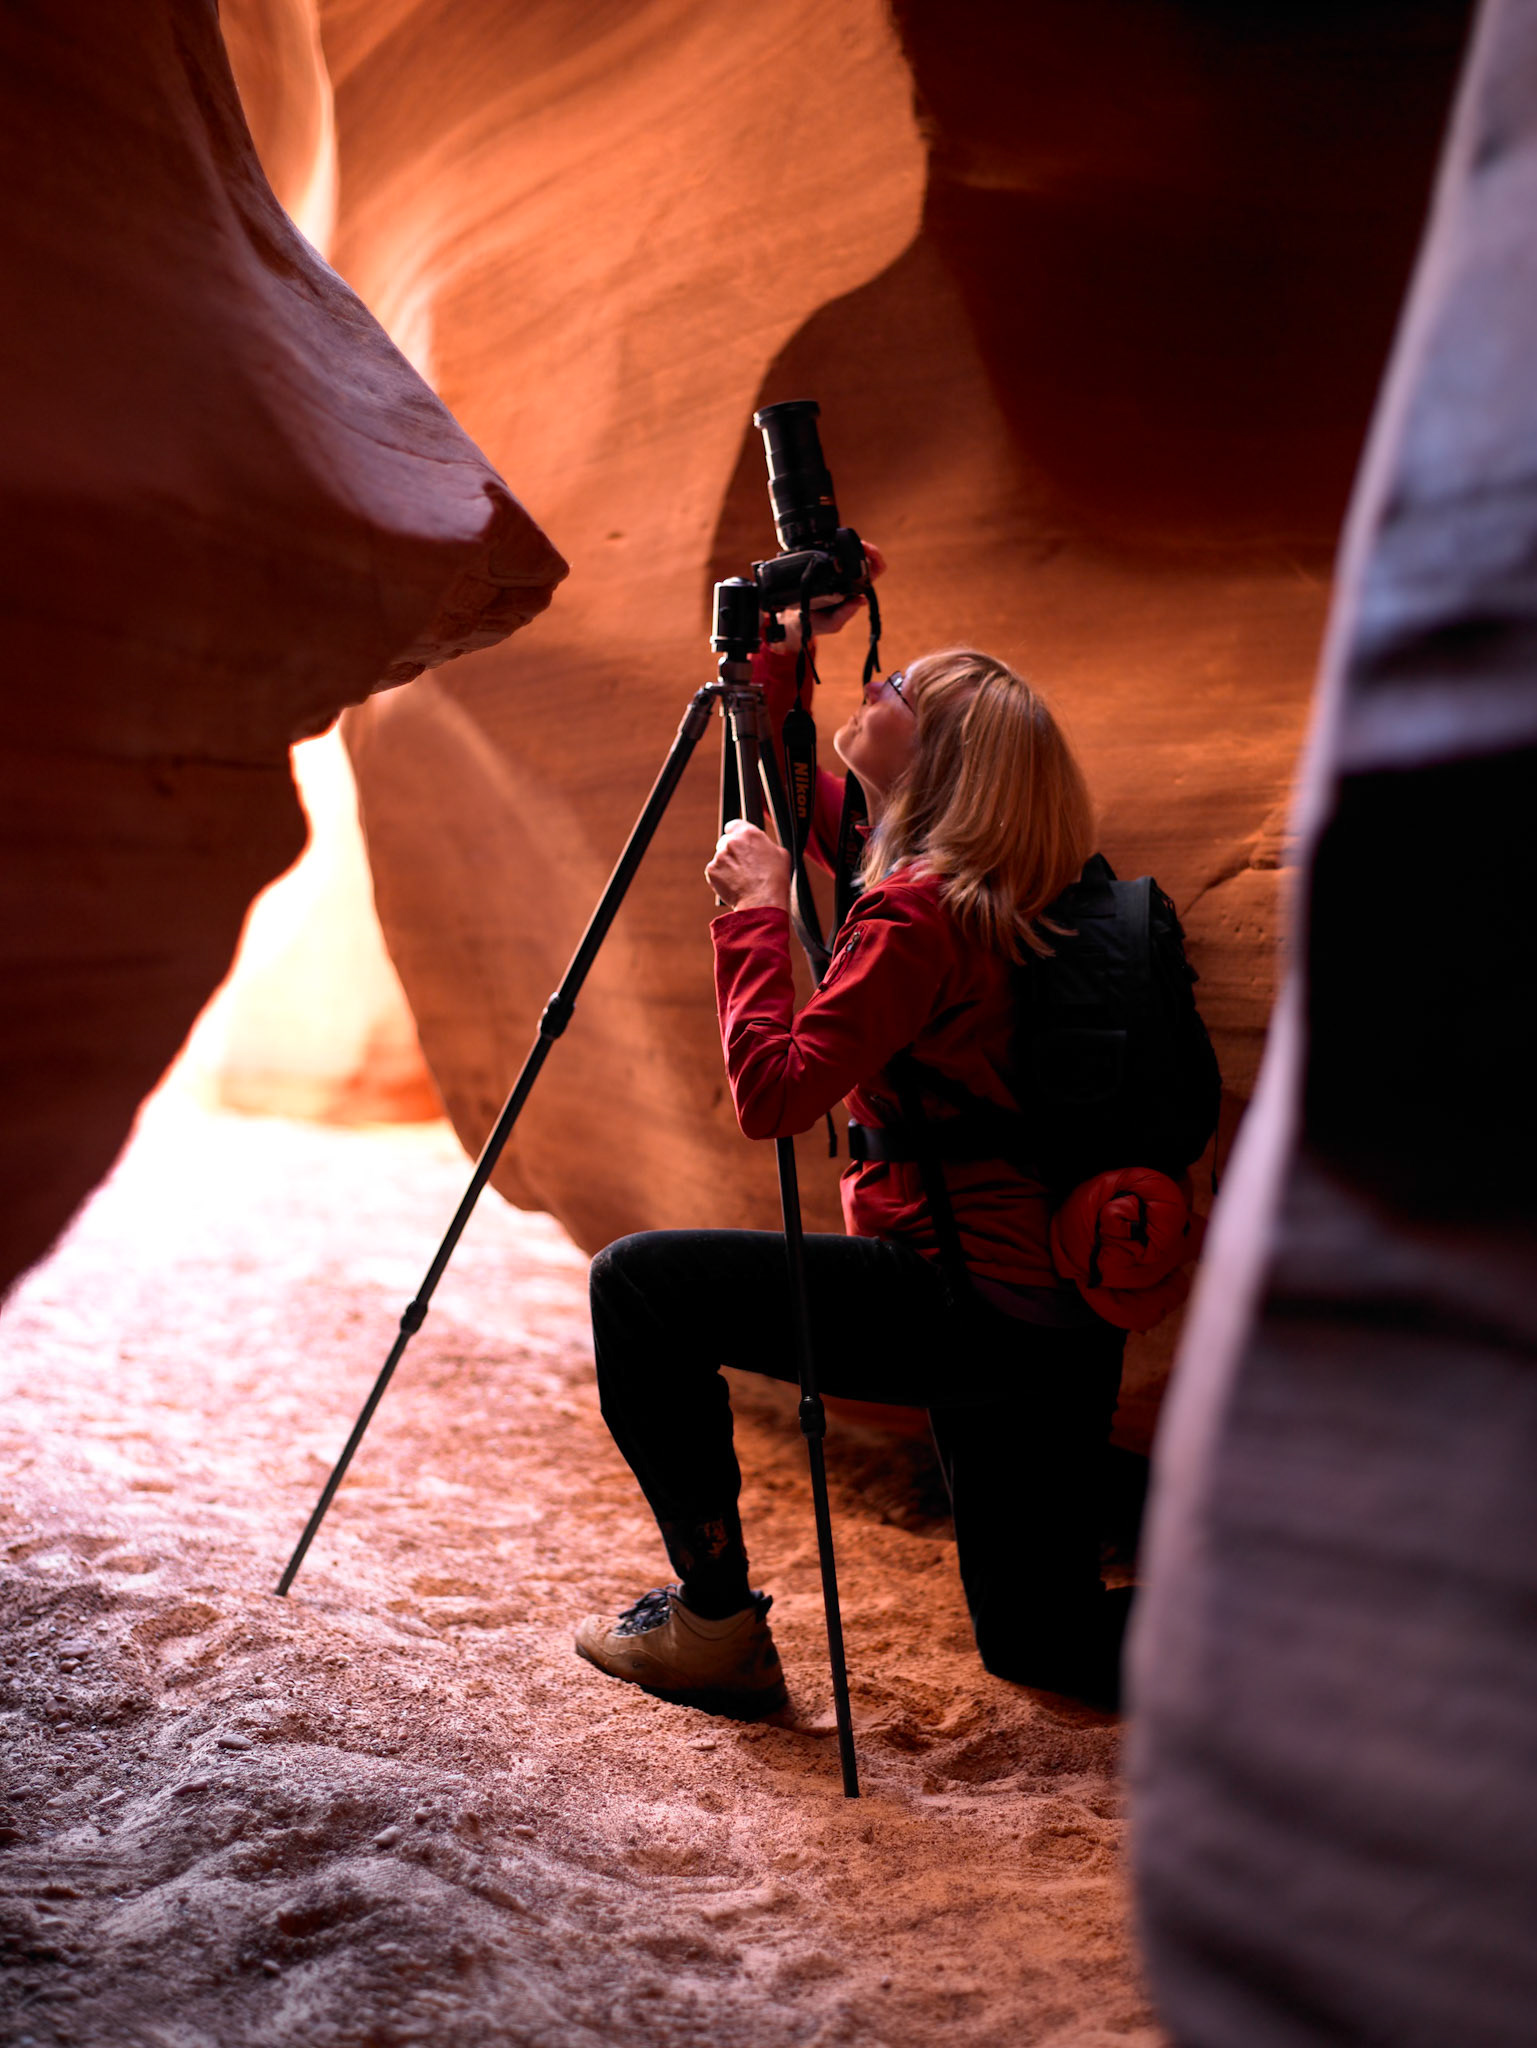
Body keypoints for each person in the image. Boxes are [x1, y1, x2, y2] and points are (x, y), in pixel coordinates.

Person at [575, 561, 1132, 1714]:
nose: (880, 681)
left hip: (959, 1302)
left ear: (936, 765)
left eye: (901, 690)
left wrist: (752, 921)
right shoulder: (1022, 882)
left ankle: (714, 1627)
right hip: (1062, 1318)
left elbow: (774, 1094)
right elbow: (794, 788)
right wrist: (785, 654)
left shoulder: (918, 912)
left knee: (638, 1287)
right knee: (1045, 1638)